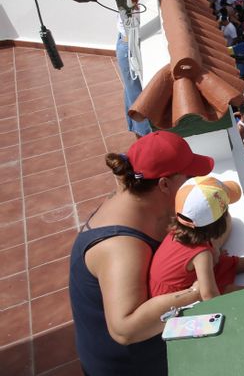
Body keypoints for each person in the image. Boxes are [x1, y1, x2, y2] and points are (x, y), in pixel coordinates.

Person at [70, 132, 212, 374]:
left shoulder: (139, 200)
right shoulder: (120, 248)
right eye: (188, 177)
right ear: (164, 185)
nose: (194, 181)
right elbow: (125, 329)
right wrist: (196, 292)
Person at [148, 176, 244, 299]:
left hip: (178, 282)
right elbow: (209, 296)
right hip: (174, 297)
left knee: (220, 263)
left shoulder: (180, 231)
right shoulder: (202, 254)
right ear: (219, 222)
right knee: (223, 288)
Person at [116, 0, 154, 137]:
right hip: (129, 48)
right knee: (138, 97)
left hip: (125, 43)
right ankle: (145, 135)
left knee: (133, 93)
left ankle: (140, 131)